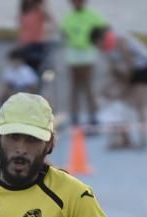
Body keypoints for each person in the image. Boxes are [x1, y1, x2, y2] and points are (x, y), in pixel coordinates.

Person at [91, 26, 147, 148]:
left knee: (138, 104)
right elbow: (115, 72)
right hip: (134, 73)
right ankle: (126, 138)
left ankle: (142, 140)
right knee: (119, 101)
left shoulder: (120, 41)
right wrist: (107, 88)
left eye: (97, 45)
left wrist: (116, 87)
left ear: (100, 40)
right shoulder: (107, 49)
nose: (98, 48)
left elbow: (130, 67)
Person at [60, 0, 106, 132]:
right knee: (75, 86)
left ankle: (92, 115)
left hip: (87, 54)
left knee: (87, 86)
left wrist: (98, 41)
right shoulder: (68, 17)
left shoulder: (92, 15)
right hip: (73, 54)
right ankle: (75, 116)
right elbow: (65, 34)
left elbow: (101, 31)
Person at [17, 0, 56, 76]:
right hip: (25, 45)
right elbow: (22, 30)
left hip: (37, 45)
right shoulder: (23, 14)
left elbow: (51, 21)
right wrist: (19, 44)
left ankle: (37, 86)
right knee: (25, 70)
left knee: (37, 68)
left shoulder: (39, 12)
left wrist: (41, 6)